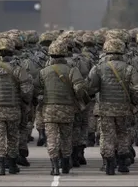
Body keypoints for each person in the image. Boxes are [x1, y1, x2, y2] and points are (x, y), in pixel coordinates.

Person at [88, 38, 138, 175]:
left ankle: (109, 164)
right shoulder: (129, 68)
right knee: (123, 134)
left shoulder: (98, 68)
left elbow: (91, 87)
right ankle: (123, 163)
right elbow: (137, 89)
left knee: (107, 136)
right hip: (123, 108)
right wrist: (135, 103)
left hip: (105, 108)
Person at [0, 35, 33, 176]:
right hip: (13, 108)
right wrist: (25, 102)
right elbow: (26, 91)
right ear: (11, 51)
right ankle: (12, 165)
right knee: (13, 136)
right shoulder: (18, 69)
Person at [35, 39, 88, 175]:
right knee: (66, 137)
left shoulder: (44, 72)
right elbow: (80, 88)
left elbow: (37, 90)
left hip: (49, 110)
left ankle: (54, 166)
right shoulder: (72, 70)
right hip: (67, 109)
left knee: (52, 138)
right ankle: (65, 165)